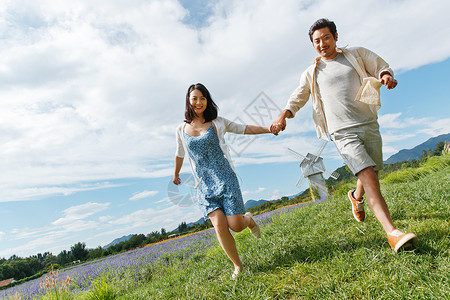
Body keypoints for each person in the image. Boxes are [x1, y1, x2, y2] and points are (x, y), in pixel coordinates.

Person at [270, 18, 417, 252]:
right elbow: (299, 96)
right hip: (341, 132)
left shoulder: (355, 54)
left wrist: (386, 74)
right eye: (316, 41)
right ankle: (392, 233)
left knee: (372, 170)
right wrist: (283, 115)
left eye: (326, 38)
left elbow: (378, 65)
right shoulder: (312, 72)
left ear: (335, 36)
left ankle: (355, 197)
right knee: (369, 175)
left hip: (368, 123)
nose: (322, 44)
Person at [173, 83, 271, 278]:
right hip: (204, 185)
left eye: (202, 98)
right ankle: (238, 267)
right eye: (194, 98)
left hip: (225, 178)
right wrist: (175, 174)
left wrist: (269, 129)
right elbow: (179, 153)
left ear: (207, 100)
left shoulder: (218, 122)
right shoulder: (181, 129)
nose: (198, 102)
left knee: (235, 225)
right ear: (188, 101)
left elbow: (244, 128)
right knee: (219, 225)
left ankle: (248, 220)